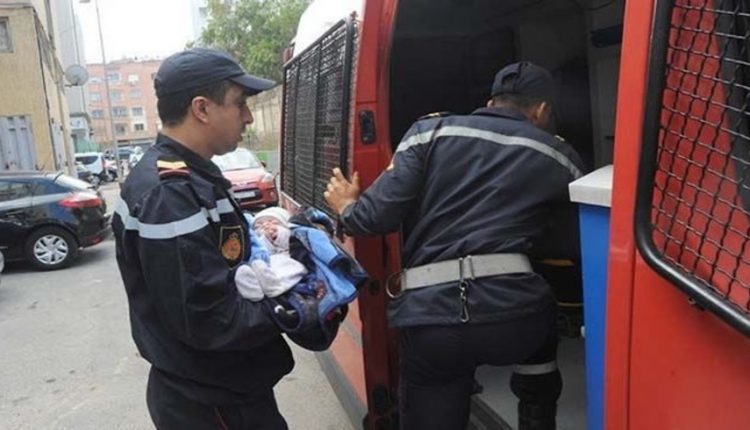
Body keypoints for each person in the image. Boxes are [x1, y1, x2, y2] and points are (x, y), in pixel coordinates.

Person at [324, 61, 585, 430]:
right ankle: (537, 412)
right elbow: (573, 243)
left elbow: (372, 219)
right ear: (541, 110)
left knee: (435, 396)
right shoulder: (560, 156)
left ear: (491, 103)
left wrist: (347, 206)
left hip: (434, 321)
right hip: (517, 318)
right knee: (541, 332)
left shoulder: (429, 132)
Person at [112, 48, 299, 429]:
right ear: (201, 108)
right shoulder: (169, 194)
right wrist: (295, 304)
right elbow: (209, 319)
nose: (248, 116)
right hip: (211, 404)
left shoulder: (194, 178)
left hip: (226, 391)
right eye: (239, 103)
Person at [235, 207, 309, 302]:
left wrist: (278, 234)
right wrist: (265, 238)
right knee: (255, 268)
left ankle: (273, 286)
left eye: (272, 221)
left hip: (287, 259)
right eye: (258, 225)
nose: (265, 225)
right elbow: (261, 249)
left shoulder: (290, 234)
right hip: (267, 263)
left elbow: (288, 242)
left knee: (290, 270)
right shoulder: (259, 242)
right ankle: (253, 290)